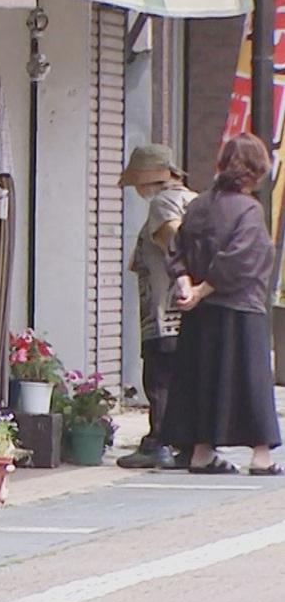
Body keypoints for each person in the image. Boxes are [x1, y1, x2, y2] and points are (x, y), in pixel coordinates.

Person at [162, 132, 282, 476]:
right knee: (251, 380)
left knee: (204, 378)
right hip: (241, 307)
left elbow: (178, 248)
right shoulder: (249, 209)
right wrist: (203, 288)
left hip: (201, 314)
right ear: (256, 170)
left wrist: (187, 285)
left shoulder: (198, 204)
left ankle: (202, 452)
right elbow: (242, 258)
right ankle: (261, 456)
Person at [115, 144, 195, 470]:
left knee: (159, 379)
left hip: (164, 308)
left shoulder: (164, 203)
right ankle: (185, 442)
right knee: (180, 379)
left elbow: (174, 242)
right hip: (188, 309)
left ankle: (158, 441)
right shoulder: (192, 198)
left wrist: (183, 276)